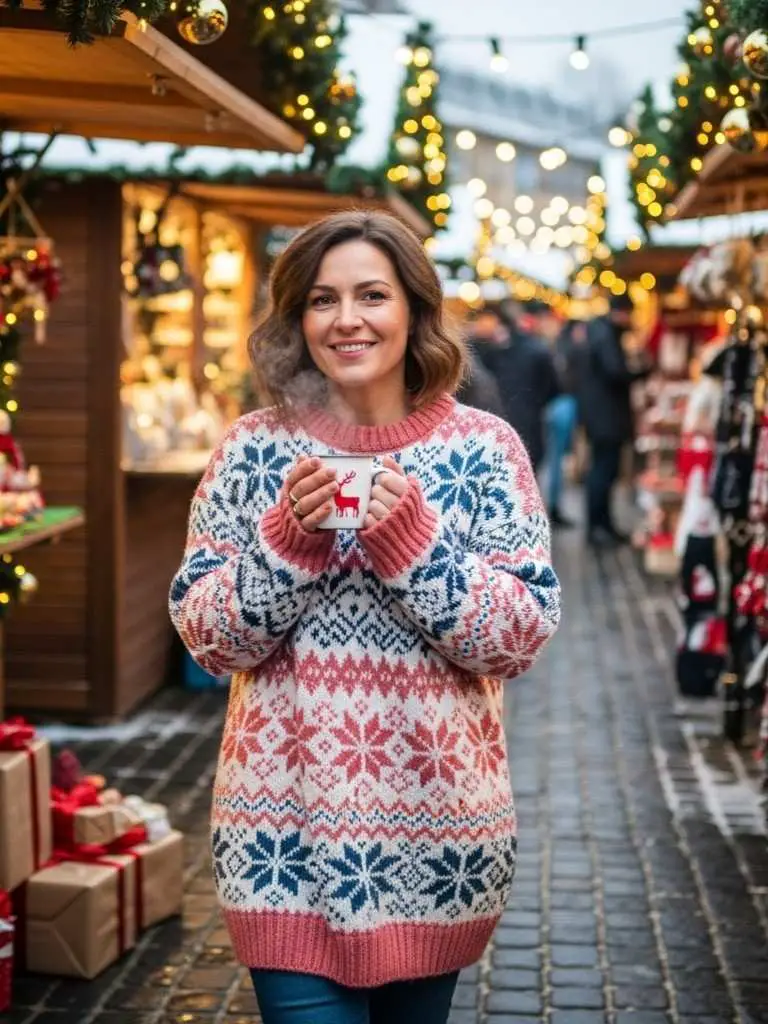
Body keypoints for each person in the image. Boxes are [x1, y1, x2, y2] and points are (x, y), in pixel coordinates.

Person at [169, 211, 561, 1024]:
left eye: (372, 295)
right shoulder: (250, 449)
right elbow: (209, 637)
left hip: (439, 841)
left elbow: (520, 635)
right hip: (281, 841)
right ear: (296, 320)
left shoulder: (485, 449)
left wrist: (413, 546)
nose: (347, 319)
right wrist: (286, 542)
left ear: (415, 309)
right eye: (322, 300)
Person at [575, 294, 651, 547]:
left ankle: (603, 525)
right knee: (603, 472)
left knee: (604, 471)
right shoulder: (607, 335)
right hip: (606, 417)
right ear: (623, 312)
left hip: (601, 415)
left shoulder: (599, 331)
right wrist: (642, 372)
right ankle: (598, 528)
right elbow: (615, 372)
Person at [472, 300, 560, 473]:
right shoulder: (537, 350)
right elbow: (552, 388)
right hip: (525, 420)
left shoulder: (491, 351)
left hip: (507, 420)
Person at [544, 319, 587, 529]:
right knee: (557, 459)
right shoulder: (576, 350)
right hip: (565, 405)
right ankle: (553, 507)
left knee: (553, 459)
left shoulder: (557, 348)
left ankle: (550, 505)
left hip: (553, 407)